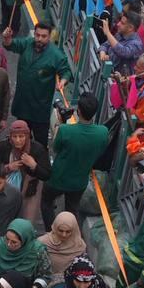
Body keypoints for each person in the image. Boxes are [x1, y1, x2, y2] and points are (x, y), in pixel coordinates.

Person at [42, 95, 109, 228]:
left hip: (58, 177)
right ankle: (68, 234)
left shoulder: (65, 130)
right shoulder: (103, 132)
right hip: (79, 181)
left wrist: (59, 124)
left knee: (46, 203)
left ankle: (50, 232)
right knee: (72, 210)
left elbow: (56, 148)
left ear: (78, 111)